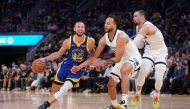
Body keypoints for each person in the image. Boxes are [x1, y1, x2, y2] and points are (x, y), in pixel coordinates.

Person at [37, 21, 95, 109]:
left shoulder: (89, 42)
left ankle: (45, 105)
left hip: (78, 69)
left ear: (84, 29)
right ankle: (55, 101)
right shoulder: (68, 41)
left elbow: (93, 55)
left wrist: (91, 63)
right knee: (54, 90)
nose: (80, 28)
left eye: (82, 27)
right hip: (66, 66)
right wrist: (45, 59)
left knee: (64, 88)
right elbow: (58, 54)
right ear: (74, 29)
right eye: (78, 26)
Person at [90, 15, 141, 109]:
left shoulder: (121, 36)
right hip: (122, 59)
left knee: (124, 70)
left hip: (134, 57)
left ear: (115, 25)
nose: (105, 25)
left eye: (108, 23)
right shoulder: (104, 38)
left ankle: (124, 103)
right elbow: (96, 55)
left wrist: (102, 62)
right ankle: (113, 106)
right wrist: (90, 64)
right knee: (110, 84)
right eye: (105, 23)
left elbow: (117, 59)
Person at [131, 10, 168, 109]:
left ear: (142, 17)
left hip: (161, 51)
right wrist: (132, 42)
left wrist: (126, 44)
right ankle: (137, 94)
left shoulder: (147, 26)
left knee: (159, 76)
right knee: (143, 71)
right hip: (149, 51)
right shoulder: (138, 27)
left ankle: (157, 95)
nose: (133, 18)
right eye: (133, 16)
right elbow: (140, 44)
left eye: (135, 16)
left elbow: (135, 43)